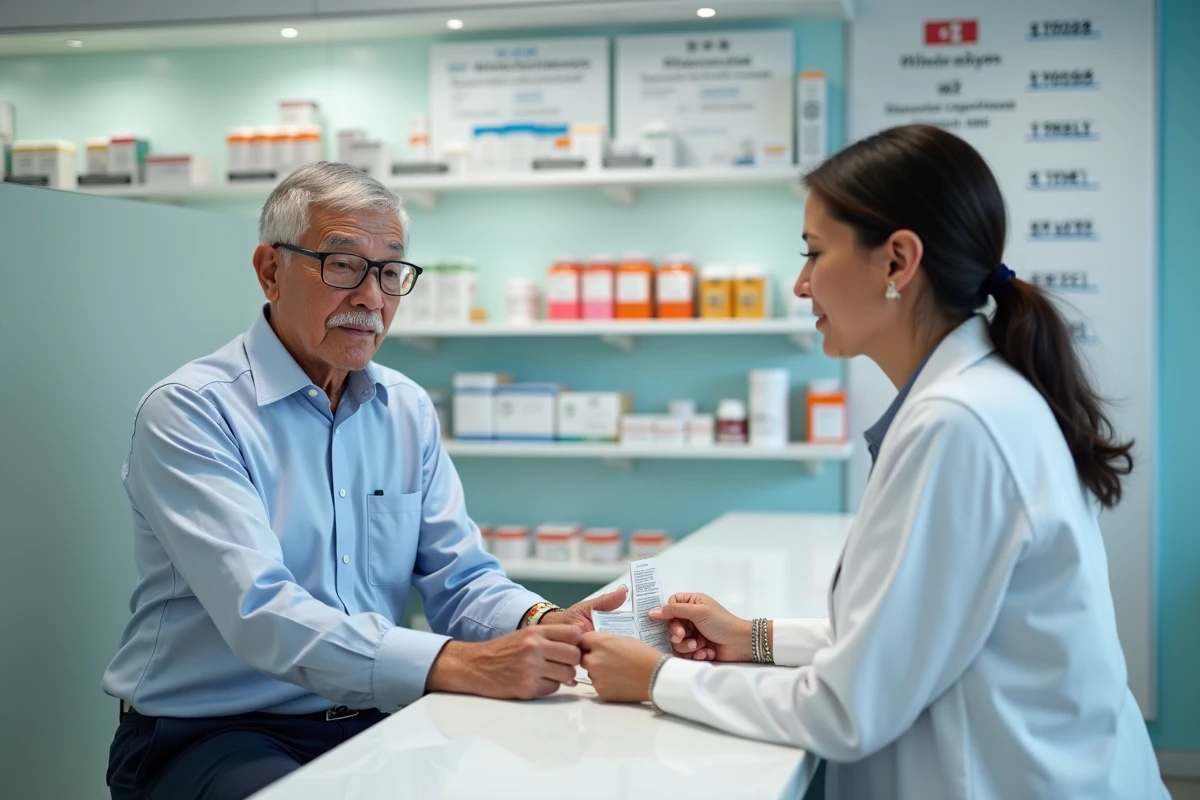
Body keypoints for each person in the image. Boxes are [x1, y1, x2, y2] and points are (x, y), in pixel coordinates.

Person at [579, 125, 1167, 799]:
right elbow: (908, 633)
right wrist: (753, 638)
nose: (801, 286)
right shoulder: (977, 397)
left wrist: (655, 679)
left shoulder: (959, 424)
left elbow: (848, 711)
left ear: (897, 262)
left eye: (814, 253)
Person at [102, 162, 626, 800]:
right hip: (215, 731)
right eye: (342, 265)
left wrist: (540, 620)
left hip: (377, 714)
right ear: (270, 269)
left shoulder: (404, 407)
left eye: (389, 272)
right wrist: (456, 663)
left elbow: (459, 578)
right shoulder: (192, 411)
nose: (371, 298)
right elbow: (262, 614)